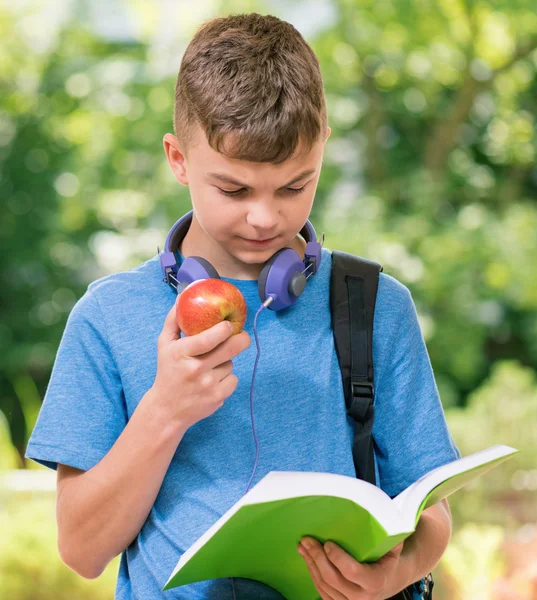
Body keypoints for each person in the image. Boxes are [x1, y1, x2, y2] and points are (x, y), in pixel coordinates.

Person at [26, 12, 461, 600]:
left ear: (323, 150)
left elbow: (431, 514)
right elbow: (81, 551)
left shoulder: (375, 305)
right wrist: (165, 411)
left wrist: (399, 571)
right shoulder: (108, 317)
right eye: (233, 189)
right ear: (177, 158)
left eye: (293, 186)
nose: (264, 217)